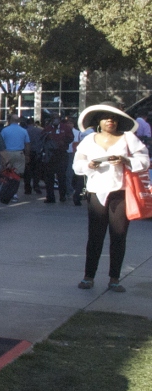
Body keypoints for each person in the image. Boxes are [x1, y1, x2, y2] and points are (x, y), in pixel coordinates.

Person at [74, 104, 149, 293]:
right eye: (106, 117)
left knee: (118, 236)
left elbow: (145, 160)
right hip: (96, 192)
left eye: (114, 118)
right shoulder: (89, 140)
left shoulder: (128, 138)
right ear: (99, 121)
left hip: (120, 193)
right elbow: (78, 165)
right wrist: (90, 164)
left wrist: (126, 160)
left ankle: (114, 278)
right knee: (95, 237)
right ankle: (88, 276)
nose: (110, 120)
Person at [40, 115, 72, 203]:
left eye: (57, 119)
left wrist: (64, 141)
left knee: (62, 176)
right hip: (50, 154)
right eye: (53, 119)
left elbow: (71, 137)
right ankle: (50, 197)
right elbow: (41, 137)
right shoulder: (48, 128)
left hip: (61, 154)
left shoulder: (65, 128)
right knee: (49, 177)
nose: (55, 120)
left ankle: (62, 196)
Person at [0, 113, 29, 180]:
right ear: (18, 121)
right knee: (17, 173)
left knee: (6, 172)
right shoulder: (24, 131)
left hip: (7, 153)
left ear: (10, 120)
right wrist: (27, 155)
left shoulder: (5, 130)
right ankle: (14, 186)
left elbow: (0, 143)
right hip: (19, 153)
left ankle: (7, 186)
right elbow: (27, 143)